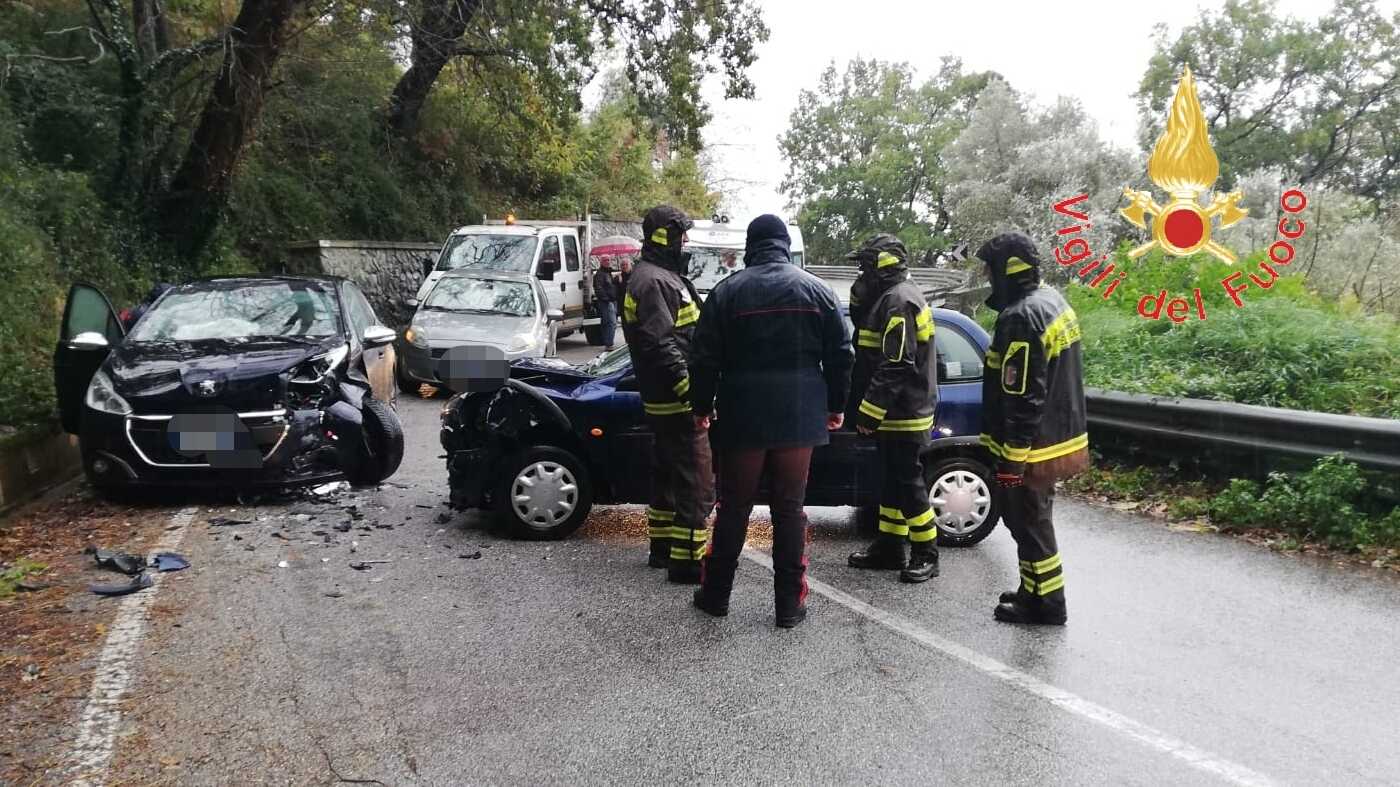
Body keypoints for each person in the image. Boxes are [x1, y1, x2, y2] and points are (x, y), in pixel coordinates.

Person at [689, 215, 852, 628]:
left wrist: (701, 405)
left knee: (734, 507)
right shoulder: (818, 290)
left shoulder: (728, 292)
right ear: (783, 244)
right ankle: (789, 605)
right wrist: (836, 404)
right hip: (800, 415)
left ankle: (715, 595)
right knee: (789, 509)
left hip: (743, 414)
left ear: (751, 246)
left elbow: (704, 355)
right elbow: (841, 354)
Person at [976, 232, 1088, 625]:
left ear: (1008, 270)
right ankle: (1035, 589)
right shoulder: (1052, 302)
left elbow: (1023, 396)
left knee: (1028, 522)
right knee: (1033, 519)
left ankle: (1047, 604)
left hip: (1030, 448)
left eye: (990, 268)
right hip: (1054, 441)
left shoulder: (1021, 317)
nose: (986, 276)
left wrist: (1012, 458)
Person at [622, 205, 715, 584]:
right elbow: (660, 345)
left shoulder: (655, 276)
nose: (687, 242)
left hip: (664, 401)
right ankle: (689, 564)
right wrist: (694, 397)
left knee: (667, 480)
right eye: (682, 235)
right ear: (666, 237)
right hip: (678, 403)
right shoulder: (655, 282)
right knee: (696, 484)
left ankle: (662, 550)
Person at [845, 235, 940, 584]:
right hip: (897, 410)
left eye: (863, 266)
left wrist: (870, 411)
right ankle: (889, 546)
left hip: (902, 412)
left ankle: (926, 552)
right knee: (890, 482)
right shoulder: (890, 297)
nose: (859, 274)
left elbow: (897, 363)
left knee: (907, 482)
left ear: (878, 268)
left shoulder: (898, 301)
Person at [592, 257, 619, 350]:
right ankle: (609, 344)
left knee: (608, 322)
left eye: (609, 260)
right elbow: (598, 288)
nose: (608, 262)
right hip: (606, 302)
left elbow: (610, 286)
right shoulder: (599, 274)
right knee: (611, 322)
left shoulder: (608, 273)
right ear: (601, 262)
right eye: (605, 260)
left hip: (612, 301)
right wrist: (607, 299)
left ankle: (608, 342)